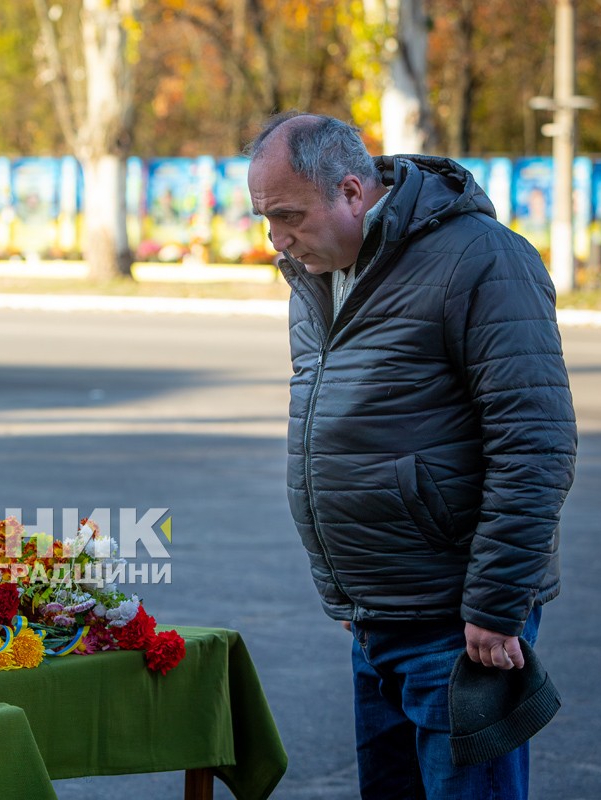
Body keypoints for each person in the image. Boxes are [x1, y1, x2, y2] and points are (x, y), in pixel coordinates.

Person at [245, 112, 577, 798]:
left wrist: (493, 602)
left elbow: (535, 443)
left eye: (288, 215)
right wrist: (341, 584)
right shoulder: (315, 273)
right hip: (376, 614)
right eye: (265, 219)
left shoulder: (480, 258)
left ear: (352, 192)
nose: (277, 238)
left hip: (457, 624)